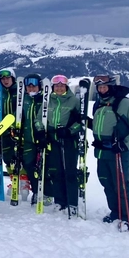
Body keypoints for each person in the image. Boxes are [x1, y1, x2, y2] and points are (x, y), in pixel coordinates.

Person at [91, 75, 129, 229]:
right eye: (99, 87)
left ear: (111, 87)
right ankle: (116, 212)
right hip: (102, 152)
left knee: (120, 184)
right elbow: (100, 126)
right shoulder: (99, 104)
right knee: (107, 184)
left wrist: (125, 144)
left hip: (118, 153)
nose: (102, 90)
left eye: (104, 87)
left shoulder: (123, 103)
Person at [43, 75, 81, 214]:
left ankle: (72, 202)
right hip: (53, 140)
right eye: (56, 85)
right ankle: (60, 201)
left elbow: (80, 122)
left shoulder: (74, 101)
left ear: (66, 86)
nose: (59, 88)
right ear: (53, 87)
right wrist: (41, 131)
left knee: (69, 172)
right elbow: (38, 118)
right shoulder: (48, 101)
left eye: (62, 85)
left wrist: (70, 131)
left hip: (69, 140)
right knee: (56, 172)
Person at [20, 73, 45, 204]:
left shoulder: (45, 99)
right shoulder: (23, 100)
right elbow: (18, 116)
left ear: (39, 86)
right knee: (28, 164)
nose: (31, 88)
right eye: (28, 86)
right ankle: (36, 191)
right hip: (28, 139)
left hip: (43, 139)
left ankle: (45, 192)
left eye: (34, 86)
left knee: (43, 167)